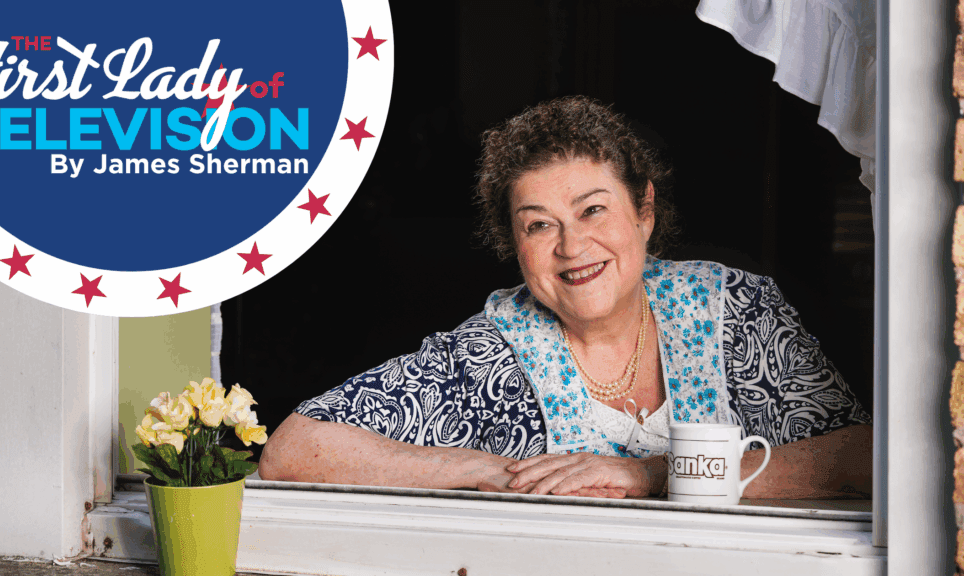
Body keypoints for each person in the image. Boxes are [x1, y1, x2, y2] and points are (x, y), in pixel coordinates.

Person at [258, 96, 872, 500]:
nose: (572, 246)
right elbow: (294, 450)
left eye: (594, 210)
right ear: (516, 245)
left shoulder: (737, 309)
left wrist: (652, 475)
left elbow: (867, 458)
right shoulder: (487, 356)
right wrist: (484, 470)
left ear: (645, 212)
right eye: (538, 223)